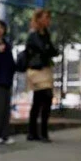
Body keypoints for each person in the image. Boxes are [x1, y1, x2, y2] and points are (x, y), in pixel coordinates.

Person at [25, 8, 59, 142]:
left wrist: (49, 49)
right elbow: (43, 48)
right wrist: (48, 49)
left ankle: (35, 132)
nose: (48, 21)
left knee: (40, 100)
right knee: (44, 97)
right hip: (36, 70)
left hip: (45, 68)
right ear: (38, 19)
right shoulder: (34, 34)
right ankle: (39, 132)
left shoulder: (45, 34)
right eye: (45, 18)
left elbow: (51, 49)